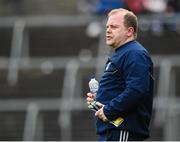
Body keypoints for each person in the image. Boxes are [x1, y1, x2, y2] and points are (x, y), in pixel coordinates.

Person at [86, 8, 154, 141]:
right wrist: (99, 97)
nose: (108, 30)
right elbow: (122, 89)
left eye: (114, 27)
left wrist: (109, 110)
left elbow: (137, 90)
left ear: (129, 31)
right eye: (107, 27)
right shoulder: (123, 53)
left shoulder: (135, 53)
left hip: (123, 130)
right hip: (113, 131)